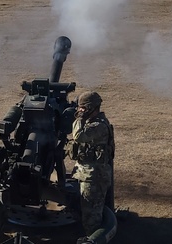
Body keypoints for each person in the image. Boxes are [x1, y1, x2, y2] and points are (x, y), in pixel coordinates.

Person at [67, 91, 115, 241]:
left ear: (91, 108)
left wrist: (79, 118)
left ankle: (93, 239)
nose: (79, 111)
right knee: (84, 211)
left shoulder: (99, 126)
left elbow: (78, 136)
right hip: (87, 174)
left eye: (82, 108)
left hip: (94, 178)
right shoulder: (92, 122)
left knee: (91, 219)